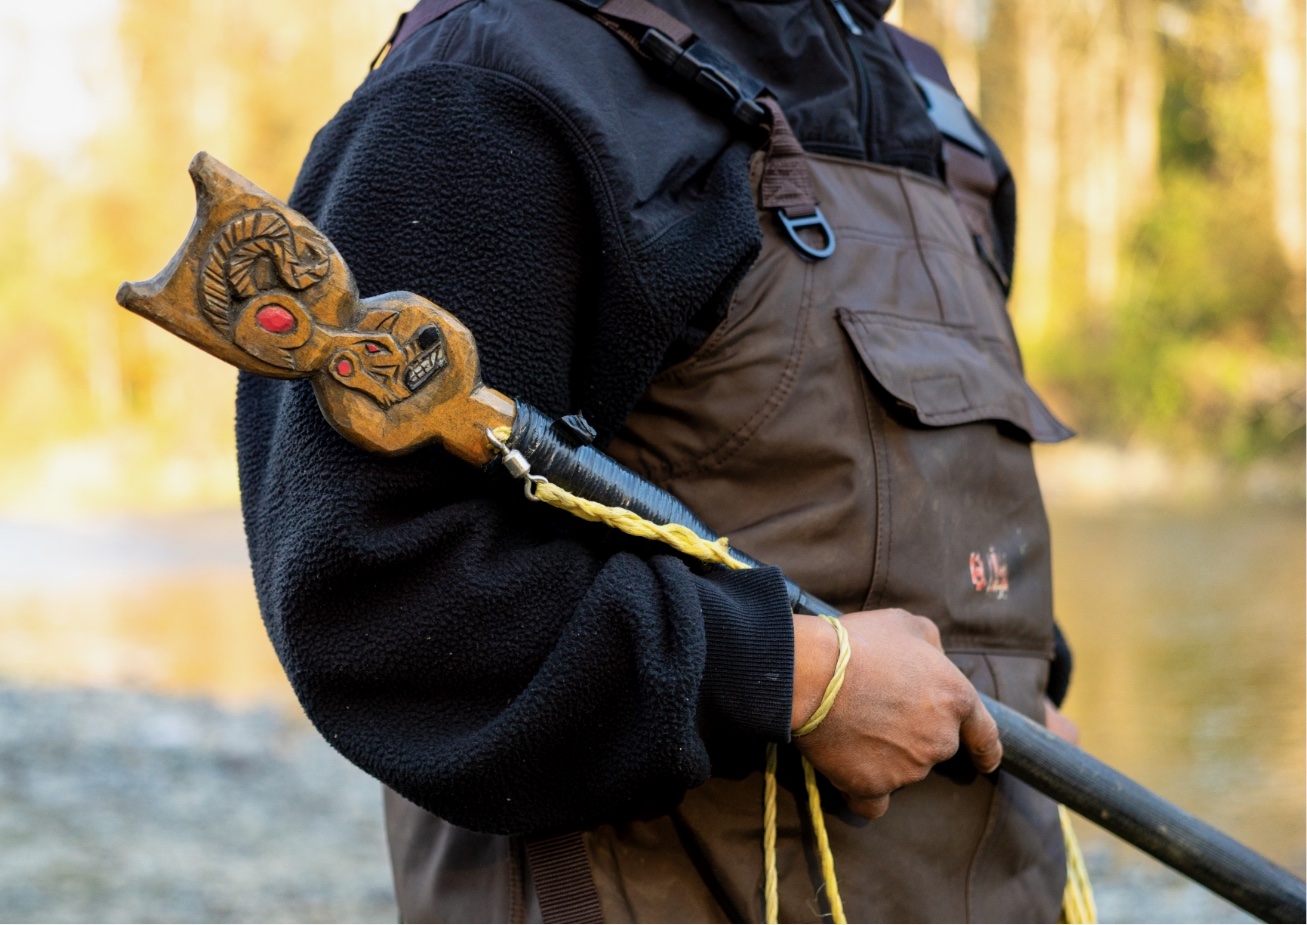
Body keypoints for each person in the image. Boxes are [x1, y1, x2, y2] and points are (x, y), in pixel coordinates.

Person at [235, 0, 1078, 920]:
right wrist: (792, 676)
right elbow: (374, 604)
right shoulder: (496, 75)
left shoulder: (934, 109)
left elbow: (926, 484)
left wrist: (1025, 679)